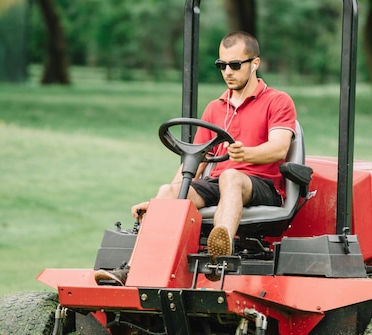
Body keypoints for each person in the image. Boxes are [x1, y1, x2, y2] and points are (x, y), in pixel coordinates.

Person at [95, 31, 297, 285]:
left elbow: (279, 148)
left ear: (254, 63)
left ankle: (218, 255)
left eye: (235, 65)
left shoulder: (277, 101)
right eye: (221, 66)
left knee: (230, 176)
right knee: (168, 192)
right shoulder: (215, 107)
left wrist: (247, 153)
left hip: (262, 184)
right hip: (221, 183)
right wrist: (160, 202)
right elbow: (196, 159)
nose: (227, 72)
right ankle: (130, 270)